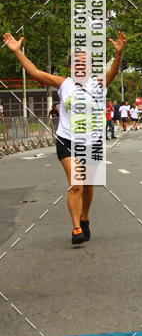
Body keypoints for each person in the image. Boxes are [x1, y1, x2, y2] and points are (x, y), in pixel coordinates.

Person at [3, 31, 126, 245]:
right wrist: (17, 51)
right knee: (76, 184)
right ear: (71, 67)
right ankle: (76, 227)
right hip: (67, 140)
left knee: (88, 186)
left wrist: (118, 54)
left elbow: (113, 72)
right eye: (77, 63)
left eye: (85, 63)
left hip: (92, 141)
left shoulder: (98, 84)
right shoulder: (64, 84)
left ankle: (84, 218)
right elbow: (34, 72)